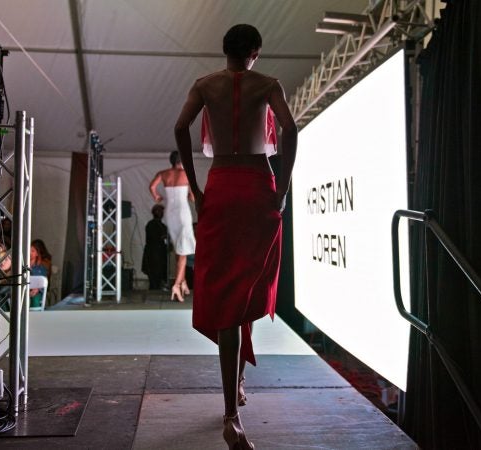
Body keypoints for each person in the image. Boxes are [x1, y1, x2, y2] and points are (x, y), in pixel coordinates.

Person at [174, 24, 297, 450]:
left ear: (225, 50)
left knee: (228, 290)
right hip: (257, 185)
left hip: (222, 184)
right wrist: (281, 189)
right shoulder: (268, 83)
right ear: (256, 52)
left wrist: (194, 185)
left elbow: (179, 128)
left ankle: (232, 404)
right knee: (247, 285)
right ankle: (233, 408)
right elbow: (290, 129)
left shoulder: (206, 84)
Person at [149, 150, 196, 302]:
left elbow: (152, 186)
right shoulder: (187, 174)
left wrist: (156, 196)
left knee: (178, 247)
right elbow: (193, 197)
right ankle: (177, 284)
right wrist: (190, 195)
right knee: (184, 250)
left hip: (170, 213)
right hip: (182, 212)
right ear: (183, 161)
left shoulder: (163, 173)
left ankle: (183, 282)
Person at [142, 204, 169, 290]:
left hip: (161, 256)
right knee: (154, 279)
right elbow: (153, 239)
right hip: (153, 256)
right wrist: (163, 237)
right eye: (159, 211)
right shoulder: (151, 224)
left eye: (162, 211)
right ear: (154, 212)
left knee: (160, 277)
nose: (161, 213)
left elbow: (166, 240)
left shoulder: (163, 226)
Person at [29, 240, 49, 309]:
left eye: (33, 251)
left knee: (35, 298)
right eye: (29, 250)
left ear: (37, 253)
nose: (30, 253)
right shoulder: (22, 266)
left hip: (36, 293)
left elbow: (44, 283)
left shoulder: (41, 268)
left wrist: (37, 289)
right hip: (24, 290)